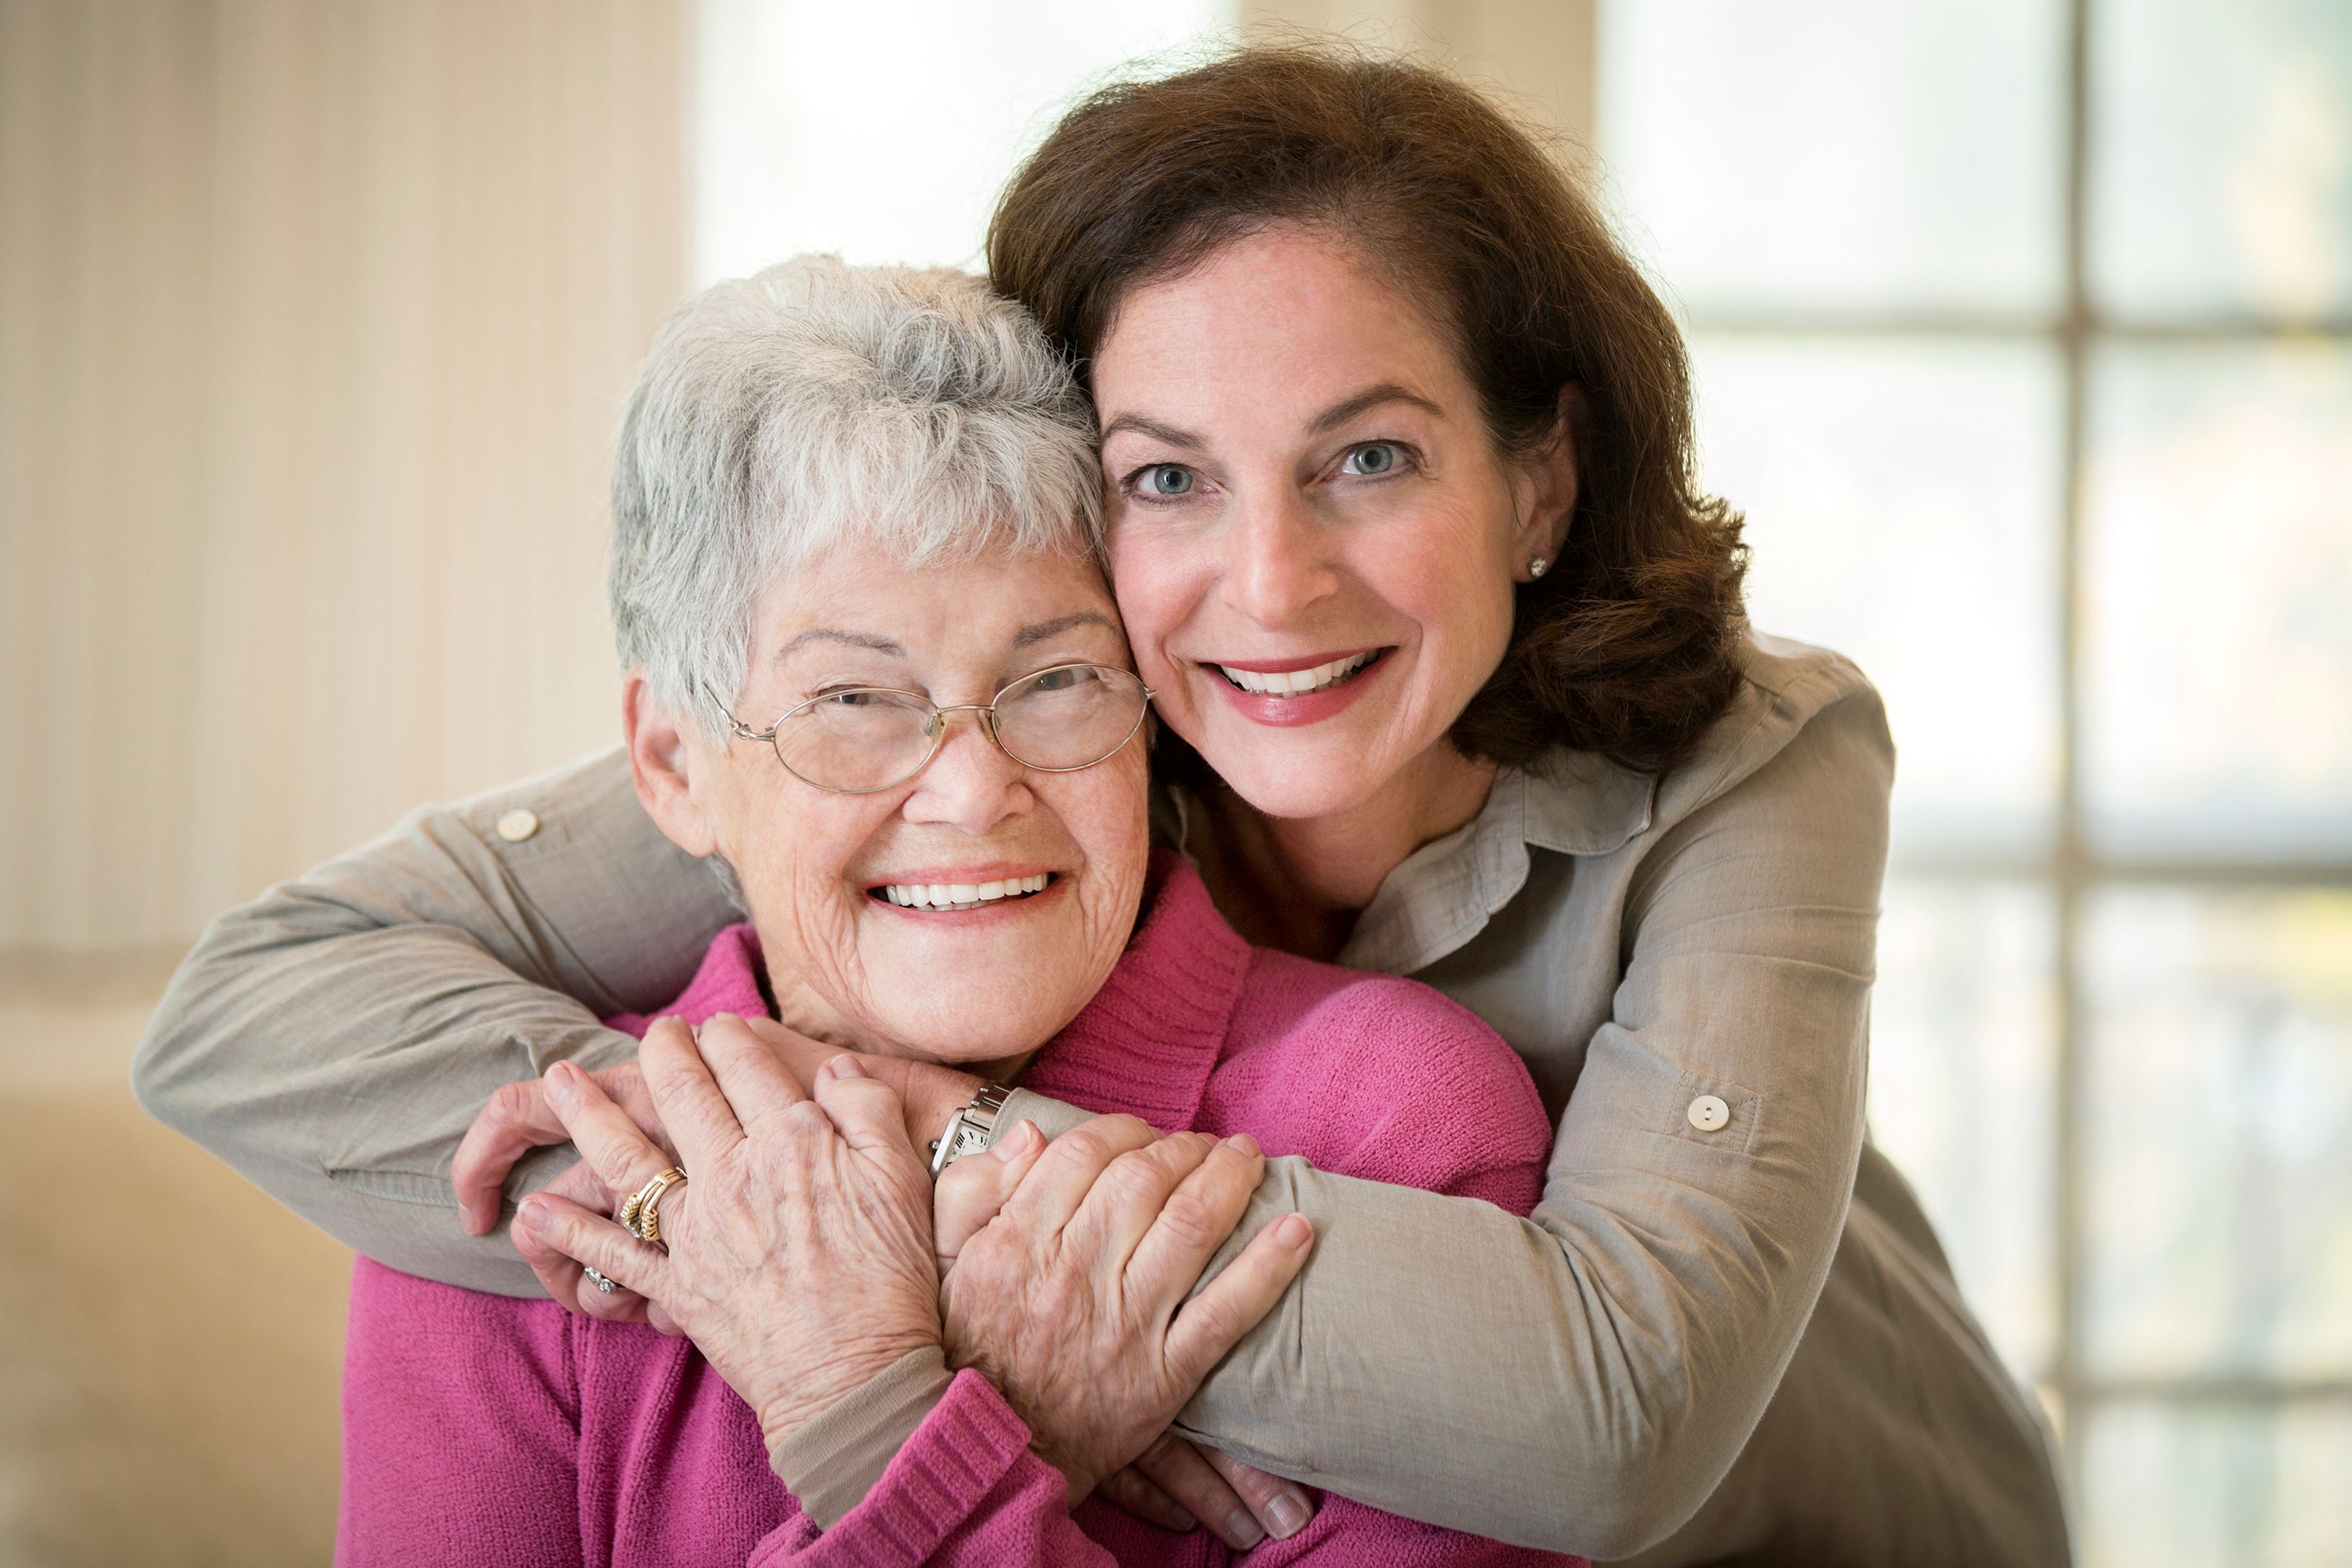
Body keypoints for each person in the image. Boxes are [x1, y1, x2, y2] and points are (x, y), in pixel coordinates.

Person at [135, 46, 2071, 1566]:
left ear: (1540, 483)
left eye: (1371, 457)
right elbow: (249, 1010)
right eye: (1164, 477)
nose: (1270, 582)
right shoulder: (1045, 706)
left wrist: (892, 1164)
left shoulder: (1756, 759)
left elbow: (1621, 1423)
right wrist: (858, 1286)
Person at [337, 255, 1582, 1566]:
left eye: (1055, 680)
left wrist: (876, 1419)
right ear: (671, 764)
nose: (977, 792)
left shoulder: (1400, 1119)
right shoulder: (554, 1191)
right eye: (856, 701)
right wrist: (973, 1434)